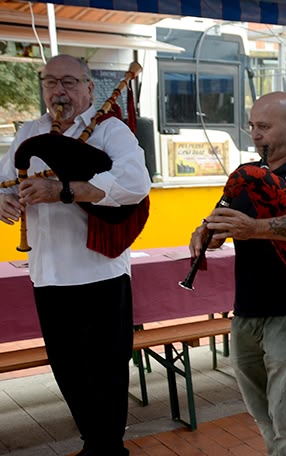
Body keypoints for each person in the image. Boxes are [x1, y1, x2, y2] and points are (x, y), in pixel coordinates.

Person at [0, 55, 151, 455]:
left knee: (106, 371)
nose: (58, 91)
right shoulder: (30, 132)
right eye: (50, 82)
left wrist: (65, 190)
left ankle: (109, 447)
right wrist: (3, 200)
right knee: (68, 369)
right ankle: (94, 444)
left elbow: (135, 184)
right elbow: (5, 180)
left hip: (98, 273)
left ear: (88, 88)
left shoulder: (108, 130)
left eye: (68, 82)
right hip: (47, 275)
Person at [188, 92, 286, 455]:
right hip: (246, 309)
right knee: (262, 411)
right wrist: (205, 232)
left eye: (264, 127)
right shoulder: (247, 176)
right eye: (253, 126)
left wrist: (255, 228)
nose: (255, 134)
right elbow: (222, 221)